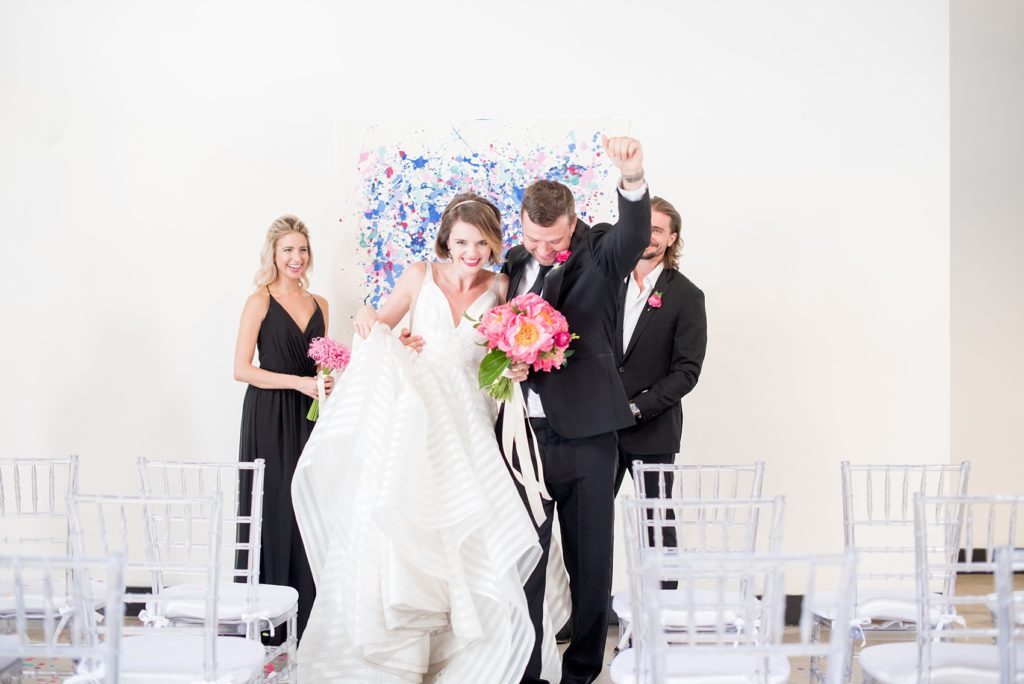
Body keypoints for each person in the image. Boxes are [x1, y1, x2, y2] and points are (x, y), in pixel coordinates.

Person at [291, 193, 566, 683]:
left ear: (494, 242)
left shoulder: (503, 287)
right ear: (446, 239)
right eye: (461, 241)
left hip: (474, 420)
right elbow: (377, 323)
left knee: (470, 530)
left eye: (481, 242)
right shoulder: (420, 275)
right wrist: (373, 323)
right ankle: (404, 653)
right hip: (420, 419)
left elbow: (504, 355)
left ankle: (464, 658)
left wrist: (518, 362)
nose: (471, 251)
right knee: (415, 526)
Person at [501, 135, 651, 684]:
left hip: (588, 436)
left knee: (590, 565)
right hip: (522, 440)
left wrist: (632, 180)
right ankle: (529, 668)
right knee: (527, 564)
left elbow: (635, 233)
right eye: (534, 238)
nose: (543, 249)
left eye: (554, 239)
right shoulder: (513, 263)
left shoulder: (602, 251)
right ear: (522, 229)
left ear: (573, 224)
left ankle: (582, 672)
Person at [233, 214, 332, 642]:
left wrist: (325, 381)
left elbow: (324, 365)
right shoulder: (259, 300)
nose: (297, 257)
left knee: (308, 505)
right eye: (288, 250)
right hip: (269, 413)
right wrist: (299, 383)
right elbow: (241, 370)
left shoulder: (321, 304)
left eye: (303, 249)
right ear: (273, 254)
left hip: (311, 415)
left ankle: (307, 615)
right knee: (272, 504)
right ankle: (265, 617)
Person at [614, 195, 707, 500]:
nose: (647, 235)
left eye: (656, 229)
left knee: (657, 529)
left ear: (671, 238)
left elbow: (686, 372)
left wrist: (636, 409)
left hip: (653, 434)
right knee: (590, 528)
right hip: (599, 432)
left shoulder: (687, 296)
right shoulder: (607, 284)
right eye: (641, 226)